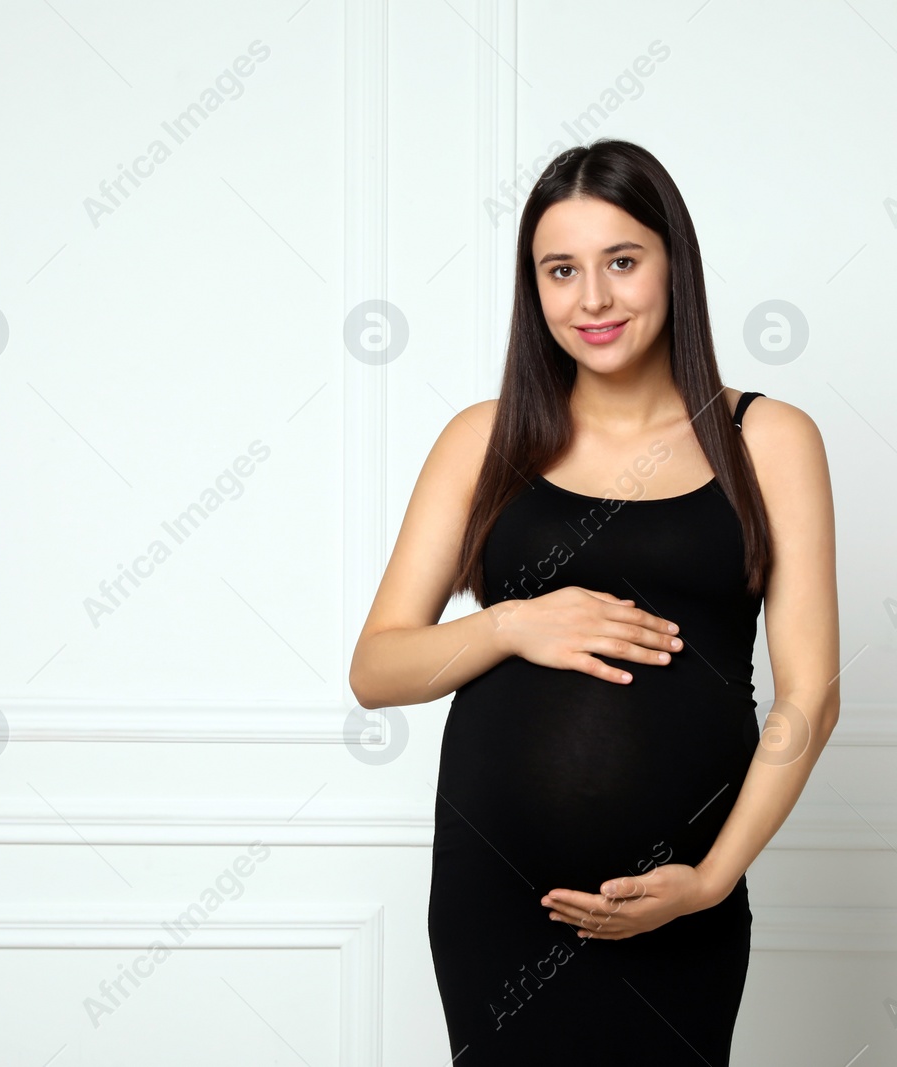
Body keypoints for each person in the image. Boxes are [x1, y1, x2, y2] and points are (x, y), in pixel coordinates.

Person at [348, 138, 839, 1065]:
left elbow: (811, 697)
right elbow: (376, 669)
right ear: (534, 288)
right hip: (497, 905)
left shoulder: (768, 438)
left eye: (622, 261)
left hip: (677, 902)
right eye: (560, 270)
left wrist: (708, 881)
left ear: (674, 264)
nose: (594, 299)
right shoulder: (484, 438)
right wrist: (511, 622)